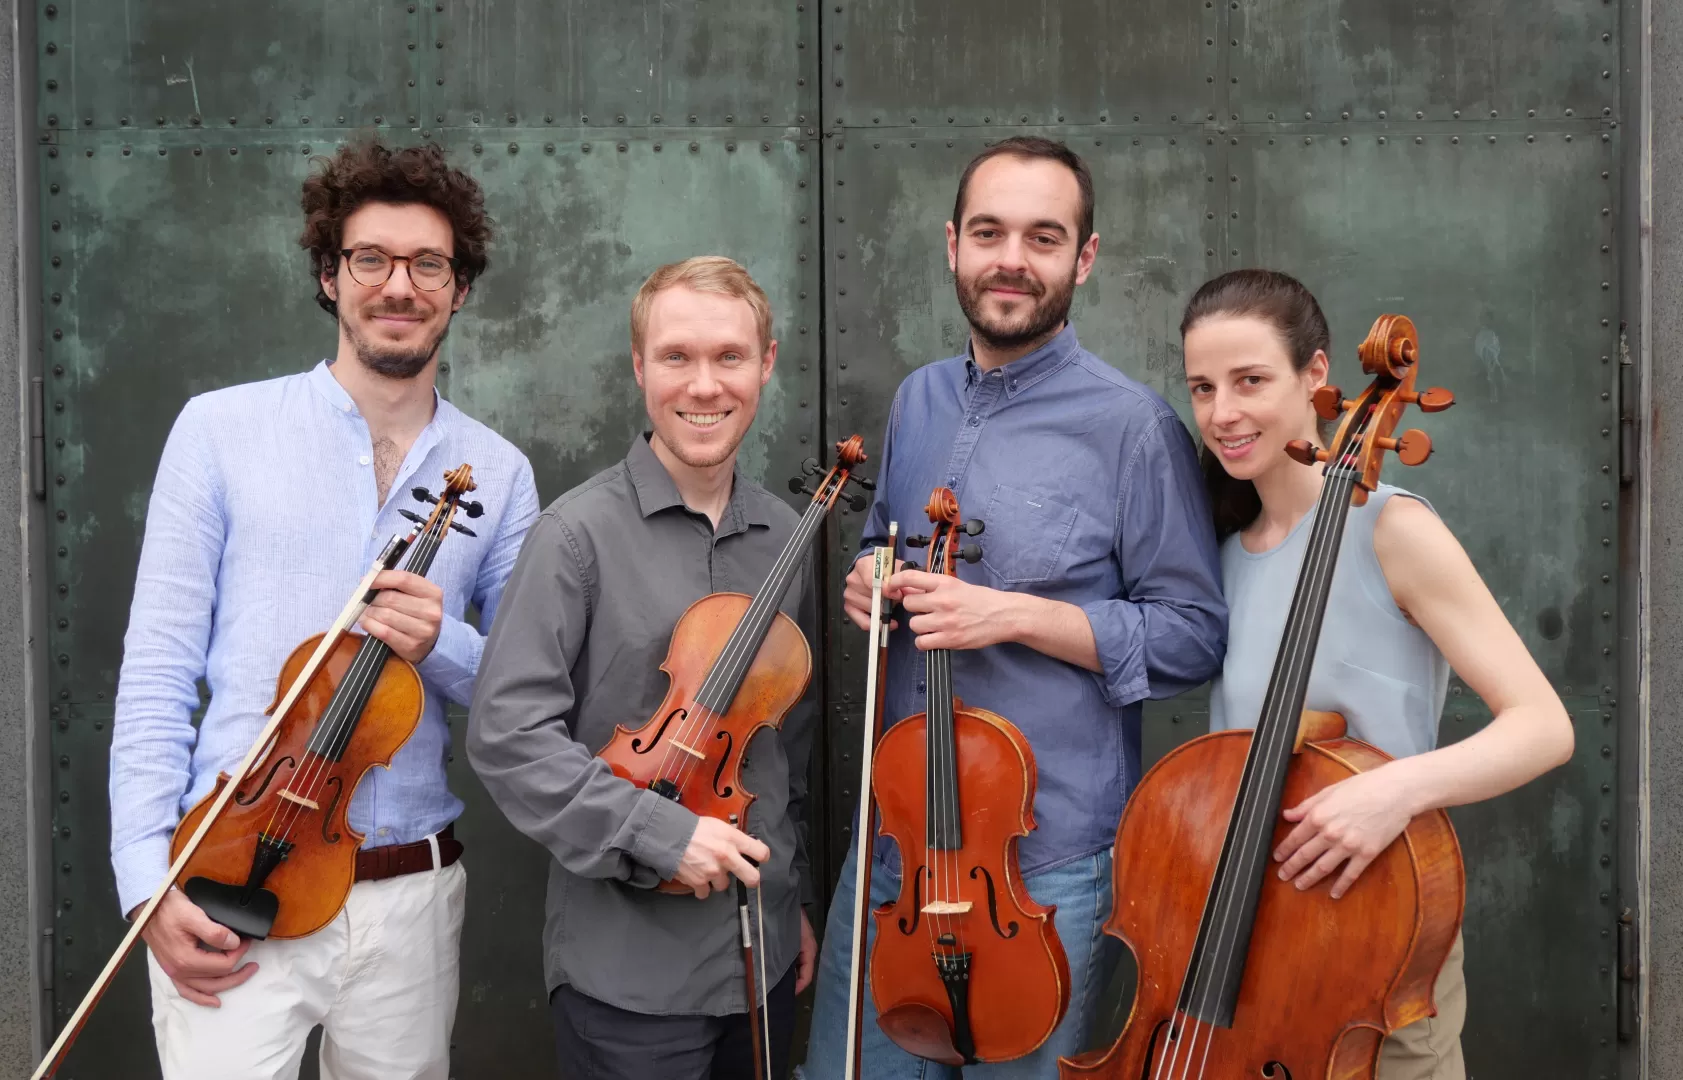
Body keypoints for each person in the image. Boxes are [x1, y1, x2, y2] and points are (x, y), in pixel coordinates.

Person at [106, 138, 540, 1080]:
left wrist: (443, 642)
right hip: (232, 881)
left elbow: (523, 690)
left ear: (459, 288)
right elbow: (156, 673)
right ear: (328, 274)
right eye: (371, 259)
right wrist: (147, 881)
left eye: (430, 263)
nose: (400, 285)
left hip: (409, 899)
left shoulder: (499, 475)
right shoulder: (219, 432)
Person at [797, 136, 1228, 1078]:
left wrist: (1014, 616)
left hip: (1044, 872)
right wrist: (867, 579)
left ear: (1083, 257)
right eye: (989, 232)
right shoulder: (917, 400)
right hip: (895, 860)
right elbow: (886, 541)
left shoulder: (1132, 426)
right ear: (952, 244)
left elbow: (1192, 636)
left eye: (1043, 237)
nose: (1011, 260)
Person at [1182, 268, 1576, 1078]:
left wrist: (1392, 789)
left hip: (1375, 931)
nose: (1222, 413)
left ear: (1316, 376)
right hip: (1241, 928)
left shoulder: (1391, 528)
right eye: (1201, 387)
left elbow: (1543, 728)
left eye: (1249, 380)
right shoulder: (1217, 555)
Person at [467, 256, 820, 1079]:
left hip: (760, 965)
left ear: (765, 365)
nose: (704, 385)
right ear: (639, 366)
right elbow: (507, 736)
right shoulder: (574, 537)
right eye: (676, 357)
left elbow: (781, 751)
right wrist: (660, 834)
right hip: (629, 984)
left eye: (729, 357)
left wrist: (790, 902)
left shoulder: (785, 536)